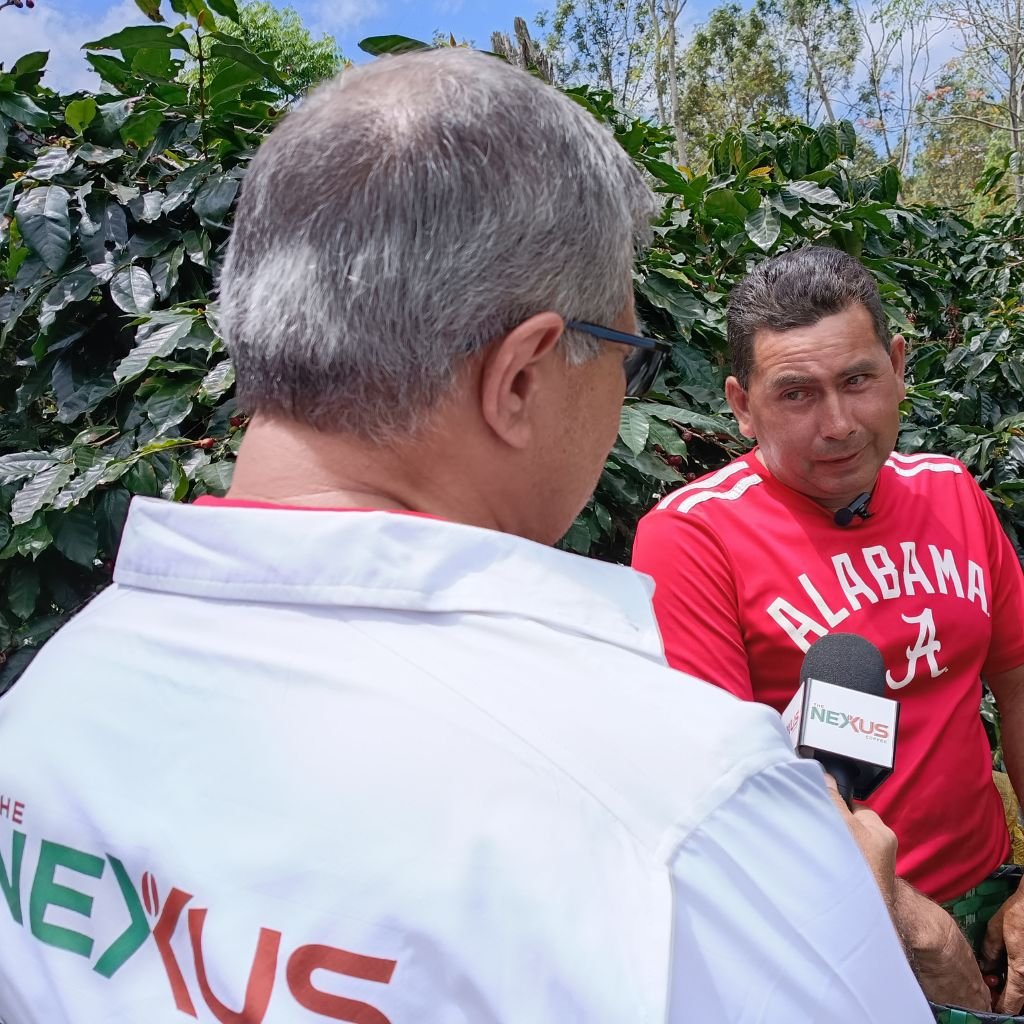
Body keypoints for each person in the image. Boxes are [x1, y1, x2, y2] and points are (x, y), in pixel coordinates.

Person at [0, 54, 931, 1024]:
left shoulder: (46, 705)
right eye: (626, 352)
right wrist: (830, 927)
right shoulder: (685, 818)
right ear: (522, 376)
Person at [632, 244, 1024, 1013]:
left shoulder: (951, 493)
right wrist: (913, 928)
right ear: (741, 405)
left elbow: (1017, 678)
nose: (838, 424)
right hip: (834, 926)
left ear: (898, 366)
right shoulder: (692, 539)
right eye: (796, 395)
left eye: (858, 380)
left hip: (989, 891)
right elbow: (727, 791)